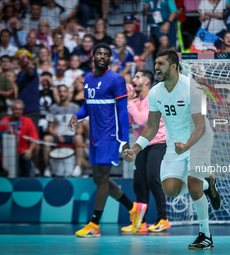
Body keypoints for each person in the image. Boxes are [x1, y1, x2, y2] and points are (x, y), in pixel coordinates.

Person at [123, 49, 222, 249]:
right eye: (156, 63)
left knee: (193, 184)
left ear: (174, 66)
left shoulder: (192, 88)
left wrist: (187, 146)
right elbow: (150, 127)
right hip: (174, 143)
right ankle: (207, 184)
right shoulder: (156, 93)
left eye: (161, 64)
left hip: (199, 140)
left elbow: (200, 126)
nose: (156, 67)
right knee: (170, 190)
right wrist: (134, 150)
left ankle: (205, 235)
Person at [68, 42, 147, 237]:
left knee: (102, 179)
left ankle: (94, 224)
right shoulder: (88, 78)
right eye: (99, 54)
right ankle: (133, 209)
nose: (102, 57)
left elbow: (121, 112)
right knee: (98, 179)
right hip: (94, 137)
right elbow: (87, 105)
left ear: (110, 59)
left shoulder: (116, 80)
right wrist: (76, 116)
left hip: (109, 136)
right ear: (93, 56)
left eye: (106, 54)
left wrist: (125, 141)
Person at [121, 70, 169, 233]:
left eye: (138, 77)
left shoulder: (152, 99)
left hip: (157, 143)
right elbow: (127, 121)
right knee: (139, 183)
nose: (134, 79)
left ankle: (163, 219)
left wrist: (129, 103)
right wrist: (124, 102)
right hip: (141, 146)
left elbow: (143, 120)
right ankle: (140, 222)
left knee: (153, 179)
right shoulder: (134, 101)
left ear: (147, 81)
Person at [42, 85, 84, 177]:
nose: (62, 94)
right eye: (60, 92)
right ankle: (48, 168)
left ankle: (77, 167)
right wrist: (57, 135)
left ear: (68, 94)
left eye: (64, 91)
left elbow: (80, 127)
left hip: (71, 137)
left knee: (79, 138)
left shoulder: (76, 108)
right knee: (46, 138)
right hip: (58, 136)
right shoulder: (52, 108)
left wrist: (78, 132)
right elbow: (50, 128)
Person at [0, 99, 39, 177]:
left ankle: (26, 181)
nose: (17, 111)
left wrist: (30, 150)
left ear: (22, 110)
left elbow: (35, 139)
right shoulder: (4, 121)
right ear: (11, 109)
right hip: (6, 153)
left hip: (22, 152)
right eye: (16, 109)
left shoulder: (28, 121)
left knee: (27, 155)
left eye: (20, 109)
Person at [15, 49, 40, 131]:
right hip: (21, 110)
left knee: (33, 136)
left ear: (29, 59)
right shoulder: (19, 74)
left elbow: (30, 72)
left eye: (24, 57)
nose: (21, 60)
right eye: (19, 58)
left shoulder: (33, 70)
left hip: (31, 110)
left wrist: (26, 65)